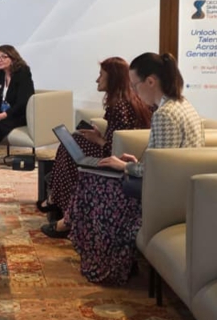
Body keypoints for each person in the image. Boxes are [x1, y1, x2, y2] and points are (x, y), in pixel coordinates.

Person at [68, 52, 204, 284]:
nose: (134, 91)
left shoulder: (165, 114)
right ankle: (103, 255)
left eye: (134, 85)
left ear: (150, 81)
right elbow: (164, 162)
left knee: (94, 181)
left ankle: (107, 264)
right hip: (176, 187)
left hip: (166, 195)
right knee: (97, 174)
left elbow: (160, 173)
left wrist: (126, 166)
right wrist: (134, 164)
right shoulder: (182, 105)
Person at [40, 57, 152, 238]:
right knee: (74, 141)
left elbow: (115, 150)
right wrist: (99, 137)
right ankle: (59, 201)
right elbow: (116, 138)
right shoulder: (124, 101)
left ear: (112, 78)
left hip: (118, 159)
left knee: (70, 148)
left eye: (101, 75)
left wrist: (99, 140)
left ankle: (64, 208)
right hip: (119, 153)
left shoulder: (120, 106)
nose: (97, 80)